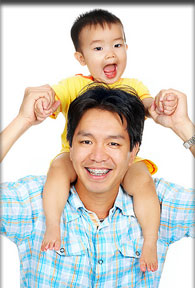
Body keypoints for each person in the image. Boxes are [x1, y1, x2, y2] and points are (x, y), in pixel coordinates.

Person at [27, 9, 178, 272]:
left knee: (144, 183)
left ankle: (151, 241)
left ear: (127, 48)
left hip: (124, 160)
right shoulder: (74, 85)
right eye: (98, 48)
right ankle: (53, 225)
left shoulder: (132, 85)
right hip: (74, 156)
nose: (110, 54)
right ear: (81, 57)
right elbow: (55, 97)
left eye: (117, 45)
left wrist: (161, 106)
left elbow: (148, 105)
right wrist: (45, 102)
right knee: (57, 170)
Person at [1, 85, 194, 287]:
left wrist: (183, 126)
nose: (98, 156)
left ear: (133, 152)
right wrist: (21, 122)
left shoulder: (156, 202)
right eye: (86, 141)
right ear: (71, 147)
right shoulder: (33, 202)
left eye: (113, 144)